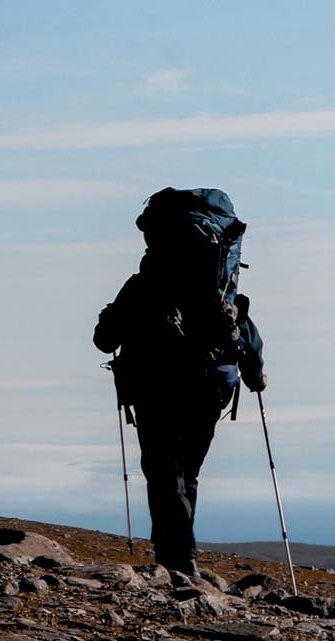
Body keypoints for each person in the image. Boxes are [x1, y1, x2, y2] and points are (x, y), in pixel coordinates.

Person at [93, 201, 266, 576]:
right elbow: (246, 331)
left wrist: (112, 320)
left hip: (157, 384)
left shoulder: (144, 283)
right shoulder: (221, 285)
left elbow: (104, 340)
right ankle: (178, 555)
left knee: (163, 469)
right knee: (186, 470)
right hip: (212, 384)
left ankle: (176, 558)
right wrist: (256, 375)